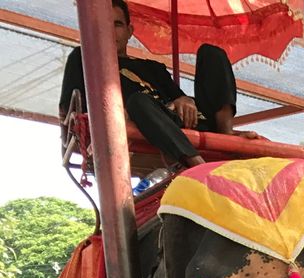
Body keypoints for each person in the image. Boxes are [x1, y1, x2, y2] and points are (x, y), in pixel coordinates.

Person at [59, 0, 256, 170]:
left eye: (117, 24)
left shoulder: (153, 67)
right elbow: (69, 112)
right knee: (137, 101)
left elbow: (179, 98)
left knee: (211, 52)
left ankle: (226, 132)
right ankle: (197, 165)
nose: (110, 31)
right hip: (141, 120)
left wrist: (184, 100)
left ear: (129, 31)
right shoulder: (83, 58)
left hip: (176, 120)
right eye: (102, 24)